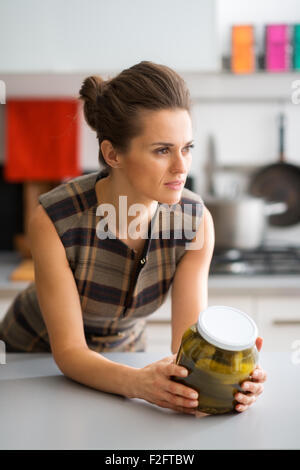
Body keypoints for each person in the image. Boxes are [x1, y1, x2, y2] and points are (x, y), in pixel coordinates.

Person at [0, 61, 266, 415]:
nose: (182, 166)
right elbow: (69, 353)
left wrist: (229, 381)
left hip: (123, 359)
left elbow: (186, 346)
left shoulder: (195, 222)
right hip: (30, 359)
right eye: (162, 150)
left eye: (187, 147)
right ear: (113, 154)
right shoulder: (55, 218)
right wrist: (140, 383)